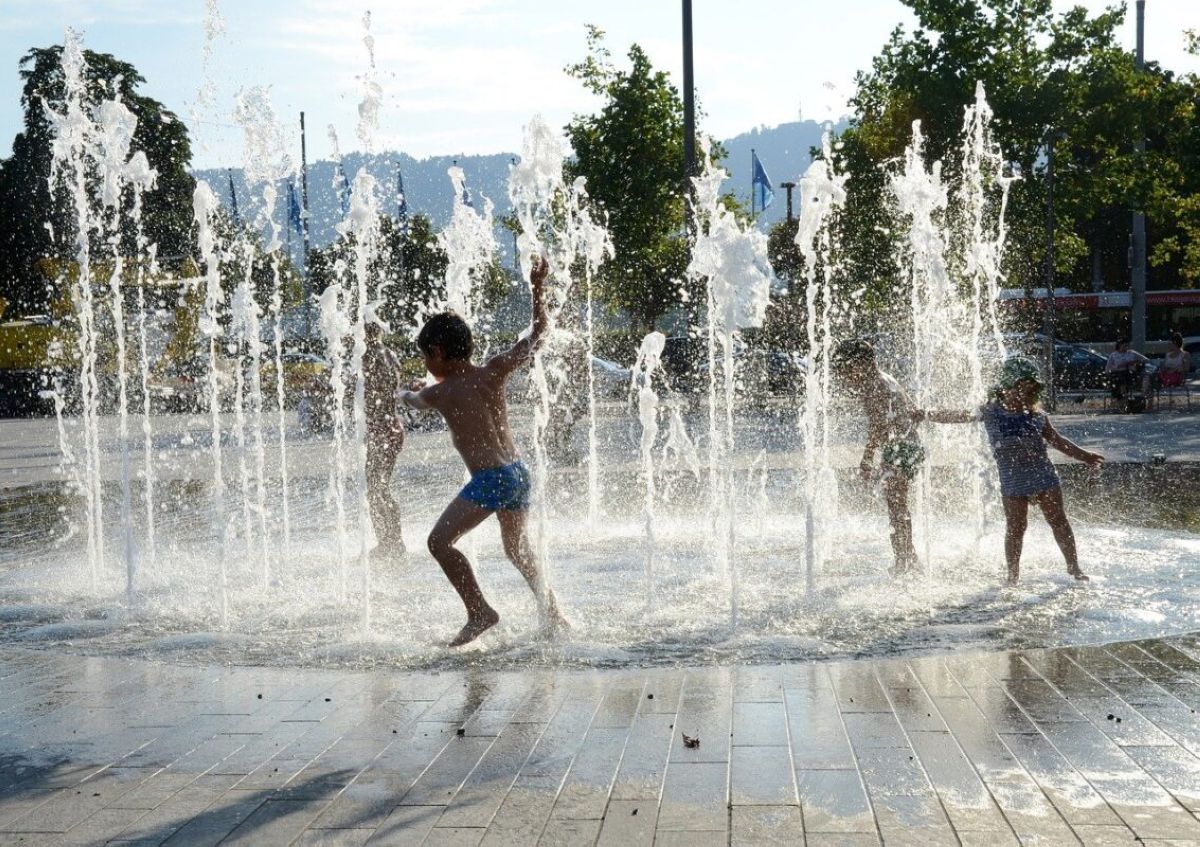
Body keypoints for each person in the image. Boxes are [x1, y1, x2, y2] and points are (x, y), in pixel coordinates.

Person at [398, 256, 567, 647]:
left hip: (491, 479)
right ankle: (554, 615)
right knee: (518, 550)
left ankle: (479, 612)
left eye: (426, 356)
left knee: (439, 543)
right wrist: (537, 289)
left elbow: (414, 400)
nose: (426, 364)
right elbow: (540, 334)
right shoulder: (493, 370)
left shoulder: (439, 392)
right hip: (518, 472)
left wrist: (400, 392)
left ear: (437, 352)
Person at [922, 356, 1103, 585]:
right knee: (1016, 528)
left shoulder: (1037, 415)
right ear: (1007, 388)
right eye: (1022, 390)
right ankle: (1012, 575)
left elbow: (1058, 441)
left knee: (1059, 521)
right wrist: (927, 414)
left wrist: (1086, 457)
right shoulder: (989, 411)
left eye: (1031, 392)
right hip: (1013, 481)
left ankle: (1074, 566)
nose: (1026, 396)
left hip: (1043, 476)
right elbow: (958, 415)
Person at [832, 339, 925, 577]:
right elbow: (911, 410)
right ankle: (909, 555)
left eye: (845, 369)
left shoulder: (874, 386)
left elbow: (878, 426)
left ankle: (903, 560)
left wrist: (867, 458)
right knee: (898, 505)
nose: (844, 377)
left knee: (896, 506)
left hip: (900, 449)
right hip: (906, 445)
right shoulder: (884, 379)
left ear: (860, 364)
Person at [363, 318, 406, 561]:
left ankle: (390, 542)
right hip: (391, 427)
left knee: (376, 488)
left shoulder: (369, 357)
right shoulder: (390, 354)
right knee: (379, 487)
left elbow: (367, 392)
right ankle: (391, 540)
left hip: (381, 430)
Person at [1105, 337, 1149, 402]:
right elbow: (1108, 368)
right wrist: (1118, 366)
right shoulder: (1113, 355)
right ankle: (1122, 396)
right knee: (1118, 378)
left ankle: (1122, 397)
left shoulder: (1131, 353)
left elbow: (1145, 359)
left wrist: (1134, 362)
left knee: (1122, 377)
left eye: (1127, 345)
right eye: (1125, 345)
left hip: (1129, 373)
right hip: (1117, 373)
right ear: (1120, 345)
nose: (1126, 347)